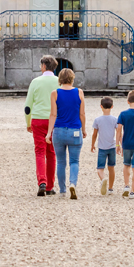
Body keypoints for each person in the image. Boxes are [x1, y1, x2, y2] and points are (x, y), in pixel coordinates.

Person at [46, 67, 85, 199]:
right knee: (74, 161)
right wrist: (84, 129)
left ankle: (62, 190)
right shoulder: (79, 92)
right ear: (72, 78)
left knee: (61, 162)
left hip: (59, 130)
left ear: (60, 79)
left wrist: (49, 133)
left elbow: (53, 114)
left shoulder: (55, 93)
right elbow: (82, 114)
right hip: (75, 130)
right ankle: (72, 184)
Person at [23, 54, 59, 196]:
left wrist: (28, 122)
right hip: (54, 120)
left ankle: (42, 182)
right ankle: (50, 186)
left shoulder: (35, 82)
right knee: (51, 153)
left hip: (38, 119)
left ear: (44, 66)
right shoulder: (59, 81)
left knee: (39, 152)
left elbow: (28, 106)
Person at [90, 96, 119, 196]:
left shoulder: (97, 120)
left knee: (100, 168)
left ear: (101, 106)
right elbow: (118, 133)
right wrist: (118, 144)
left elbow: (94, 134)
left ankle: (103, 179)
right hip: (112, 146)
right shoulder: (115, 119)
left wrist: (92, 145)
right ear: (112, 107)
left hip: (102, 147)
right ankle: (110, 188)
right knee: (111, 168)